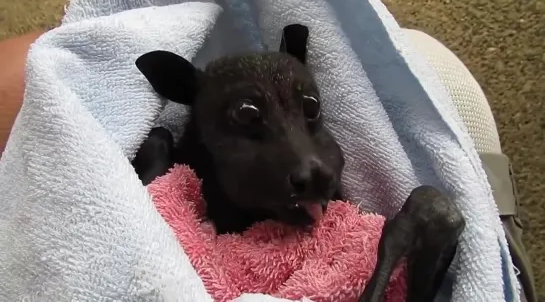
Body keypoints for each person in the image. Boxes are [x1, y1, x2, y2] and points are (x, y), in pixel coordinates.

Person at [0, 29, 536, 302]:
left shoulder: (334, 210)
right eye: (249, 118)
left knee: (438, 203)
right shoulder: (173, 186)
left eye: (309, 113)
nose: (308, 160)